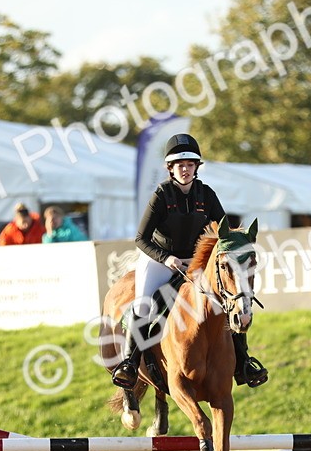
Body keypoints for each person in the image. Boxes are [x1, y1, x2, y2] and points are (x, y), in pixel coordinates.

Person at [111, 132, 268, 391]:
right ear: (171, 169)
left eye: (190, 165)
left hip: (196, 263)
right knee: (144, 305)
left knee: (226, 303)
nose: (185, 170)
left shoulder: (206, 194)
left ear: (196, 167)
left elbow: (224, 234)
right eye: (180, 165)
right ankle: (129, 363)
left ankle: (243, 363)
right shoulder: (161, 195)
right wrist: (167, 258)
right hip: (160, 259)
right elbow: (141, 238)